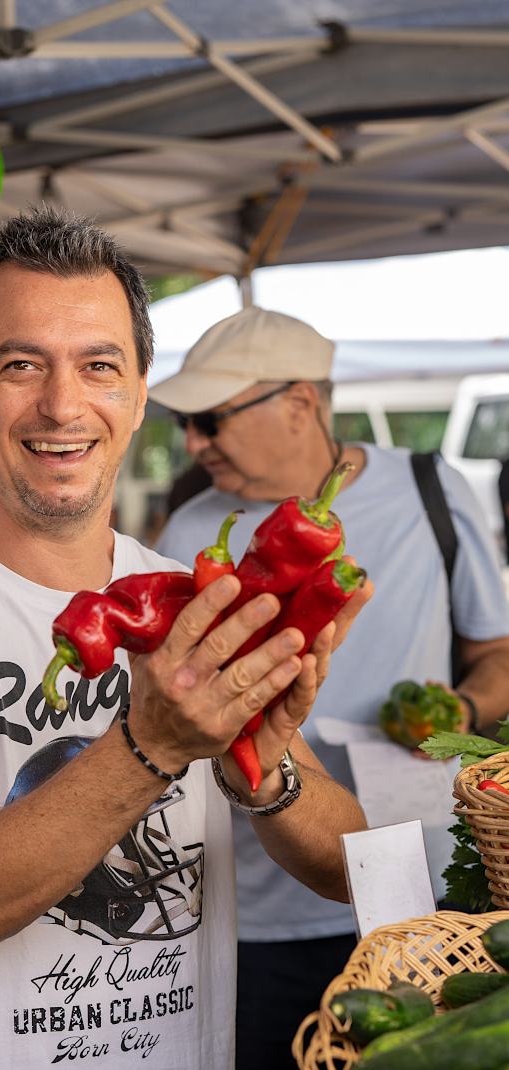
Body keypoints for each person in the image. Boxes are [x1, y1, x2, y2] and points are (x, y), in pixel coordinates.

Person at [0, 209, 370, 1070]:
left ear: (141, 393)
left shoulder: (192, 593)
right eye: (20, 364)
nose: (62, 404)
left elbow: (343, 868)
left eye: (98, 366)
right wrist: (152, 746)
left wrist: (266, 756)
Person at [151, 306, 509, 1070]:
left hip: (428, 891)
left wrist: (458, 715)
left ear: (302, 403)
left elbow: (500, 652)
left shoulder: (431, 489)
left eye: (211, 418)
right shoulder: (187, 534)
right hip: (260, 907)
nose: (193, 442)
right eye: (187, 422)